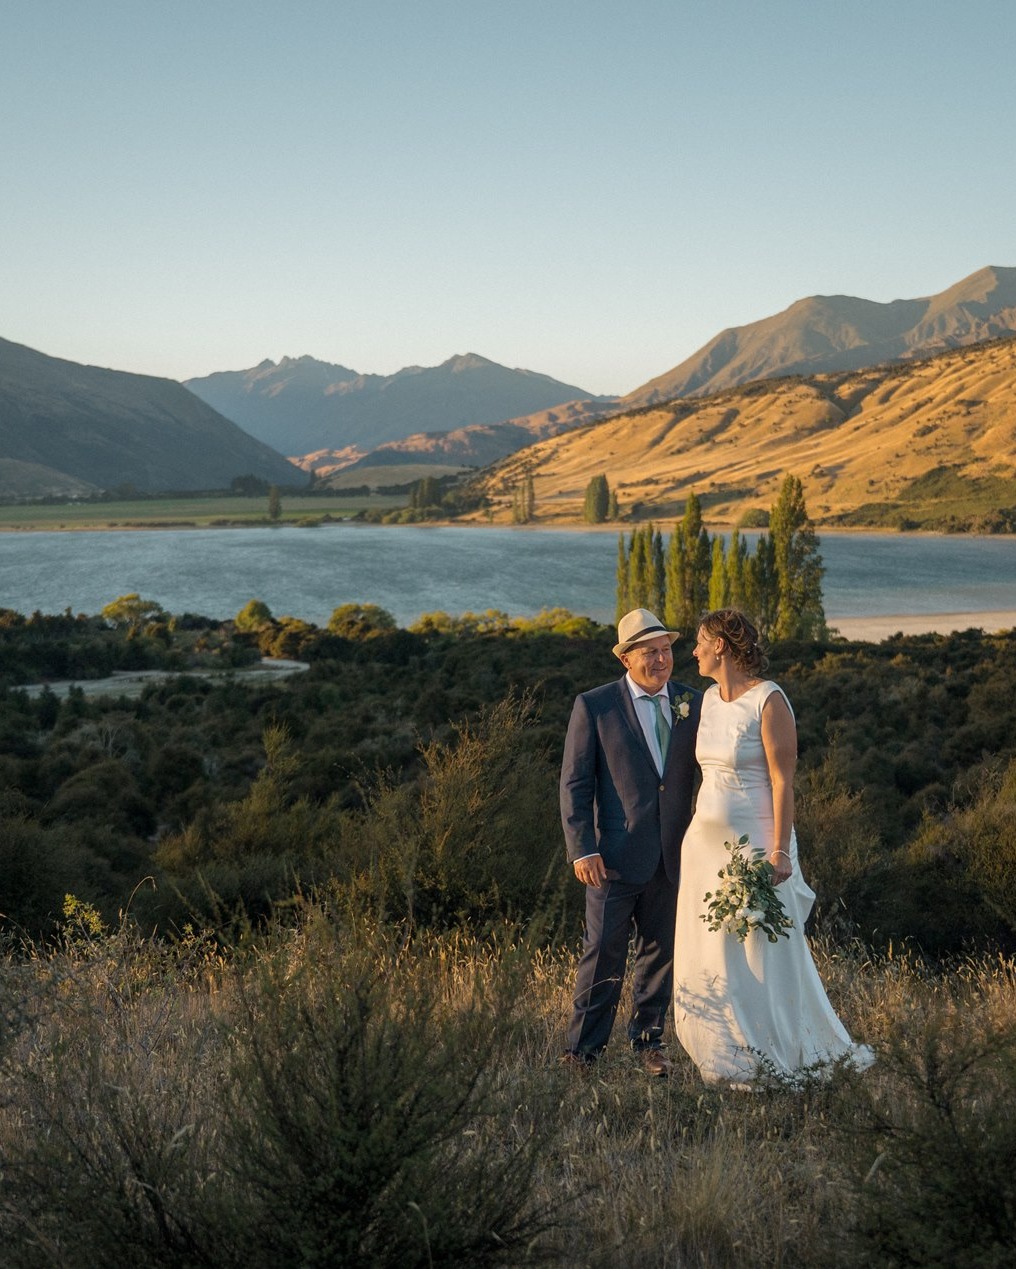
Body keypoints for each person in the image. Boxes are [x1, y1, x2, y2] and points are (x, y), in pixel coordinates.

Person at [672, 608, 874, 1086]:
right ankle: (725, 1054)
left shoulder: (769, 700)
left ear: (721, 646)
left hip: (757, 848)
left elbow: (783, 782)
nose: (694, 651)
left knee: (761, 950)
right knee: (713, 950)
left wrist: (780, 850)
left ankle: (775, 1049)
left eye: (700, 642)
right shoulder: (707, 699)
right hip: (704, 848)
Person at [560, 608, 702, 1075]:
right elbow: (575, 782)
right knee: (603, 953)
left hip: (673, 856)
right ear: (625, 659)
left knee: (660, 953)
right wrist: (583, 847)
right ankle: (583, 1051)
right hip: (613, 859)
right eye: (649, 653)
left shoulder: (693, 702)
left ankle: (649, 1044)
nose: (661, 660)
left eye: (666, 650)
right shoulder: (595, 706)